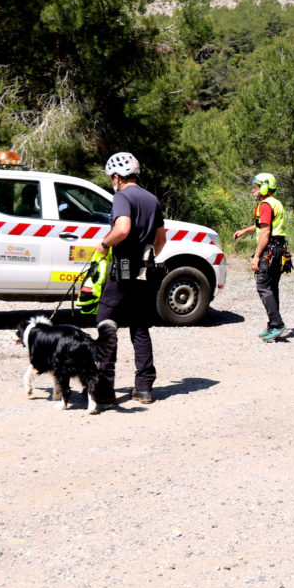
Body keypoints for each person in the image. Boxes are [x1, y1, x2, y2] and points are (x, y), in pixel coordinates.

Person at [93, 152, 166, 406]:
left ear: (117, 177)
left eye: (111, 178)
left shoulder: (122, 196)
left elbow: (122, 228)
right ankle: (144, 387)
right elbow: (161, 241)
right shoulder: (152, 199)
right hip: (145, 272)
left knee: (106, 323)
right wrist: (145, 255)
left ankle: (104, 389)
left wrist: (104, 244)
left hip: (122, 272)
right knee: (139, 326)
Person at [233, 172, 289, 342]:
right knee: (272, 286)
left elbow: (265, 233)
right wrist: (244, 231)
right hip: (280, 248)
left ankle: (278, 325)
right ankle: (273, 326)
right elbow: (261, 226)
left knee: (263, 285)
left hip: (270, 249)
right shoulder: (275, 203)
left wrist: (256, 257)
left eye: (256, 187)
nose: (253, 191)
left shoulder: (265, 204)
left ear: (264, 188)